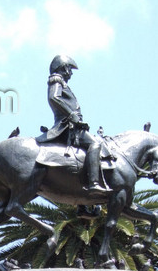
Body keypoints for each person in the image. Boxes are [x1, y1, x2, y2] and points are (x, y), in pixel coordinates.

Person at [36, 55, 115, 204]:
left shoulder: (63, 83)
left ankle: (84, 203)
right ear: (63, 67)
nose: (71, 73)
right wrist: (71, 114)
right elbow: (53, 98)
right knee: (95, 144)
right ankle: (93, 184)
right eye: (70, 69)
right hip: (65, 126)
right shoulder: (56, 80)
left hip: (72, 125)